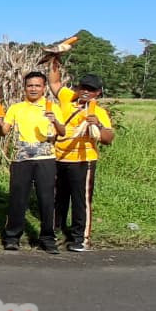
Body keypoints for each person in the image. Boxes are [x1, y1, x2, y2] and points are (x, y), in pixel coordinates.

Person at [48, 60, 115, 252]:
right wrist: (54, 58)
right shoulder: (68, 99)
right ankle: (55, 230)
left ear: (98, 93)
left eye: (91, 90)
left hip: (83, 160)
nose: (86, 92)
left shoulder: (99, 112)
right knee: (58, 197)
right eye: (83, 87)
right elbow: (54, 82)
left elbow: (108, 138)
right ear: (77, 88)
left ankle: (81, 237)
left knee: (80, 200)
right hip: (60, 157)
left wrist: (97, 125)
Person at [0, 72, 66, 254]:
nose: (34, 89)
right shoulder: (16, 108)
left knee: (46, 199)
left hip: (45, 158)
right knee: (17, 199)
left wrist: (55, 121)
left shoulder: (52, 107)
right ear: (25, 87)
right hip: (21, 159)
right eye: (30, 85)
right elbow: (4, 131)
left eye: (37, 85)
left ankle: (47, 238)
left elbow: (62, 132)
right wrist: (0, 123)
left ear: (44, 88)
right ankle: (12, 237)